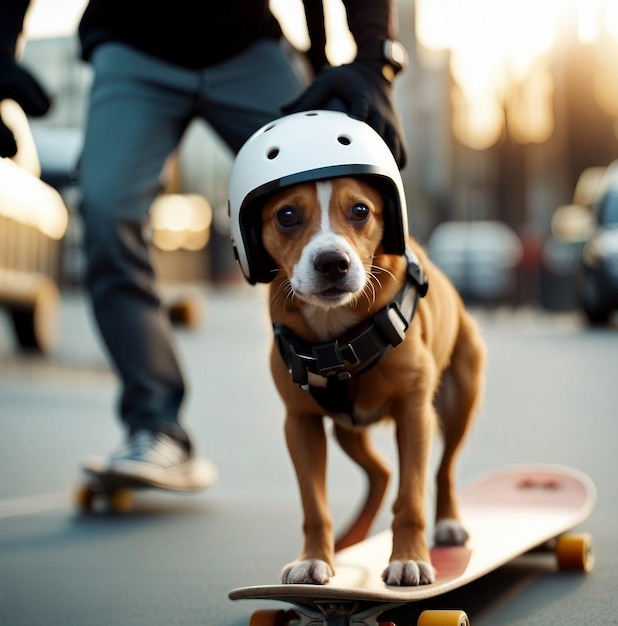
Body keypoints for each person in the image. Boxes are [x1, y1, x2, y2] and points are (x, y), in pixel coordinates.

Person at [0, 0, 408, 485]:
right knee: (106, 212)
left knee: (342, 174)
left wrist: (372, 59)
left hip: (245, 47)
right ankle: (156, 426)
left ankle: (397, 376)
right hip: (132, 48)